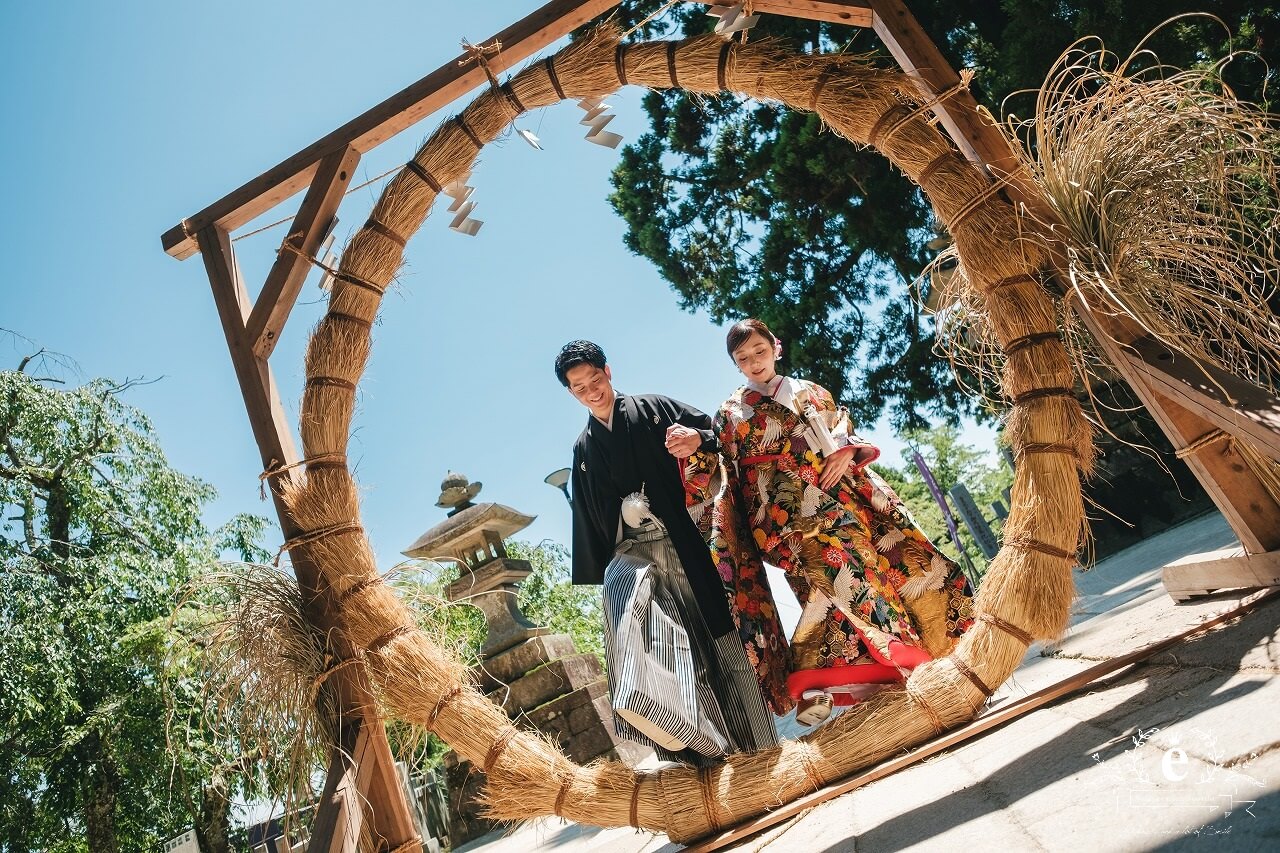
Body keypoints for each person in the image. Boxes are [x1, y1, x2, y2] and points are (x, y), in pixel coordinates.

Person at [707, 319, 975, 725]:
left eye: (760, 351)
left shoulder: (811, 392)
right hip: (783, 519)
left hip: (838, 501)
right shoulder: (730, 413)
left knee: (864, 579)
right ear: (736, 364)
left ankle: (846, 680)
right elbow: (725, 471)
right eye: (743, 358)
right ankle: (864, 679)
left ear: (776, 348)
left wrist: (846, 453)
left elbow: (843, 431)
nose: (754, 362)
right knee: (822, 588)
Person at [555, 340, 780, 763]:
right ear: (571, 393)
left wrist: (697, 438)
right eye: (579, 387)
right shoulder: (583, 450)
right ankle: (710, 763)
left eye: (595, 379)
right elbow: (590, 519)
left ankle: (765, 753)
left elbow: (721, 435)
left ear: (608, 371)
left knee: (722, 641)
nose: (591, 391)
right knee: (668, 660)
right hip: (640, 563)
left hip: (689, 546)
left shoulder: (655, 409)